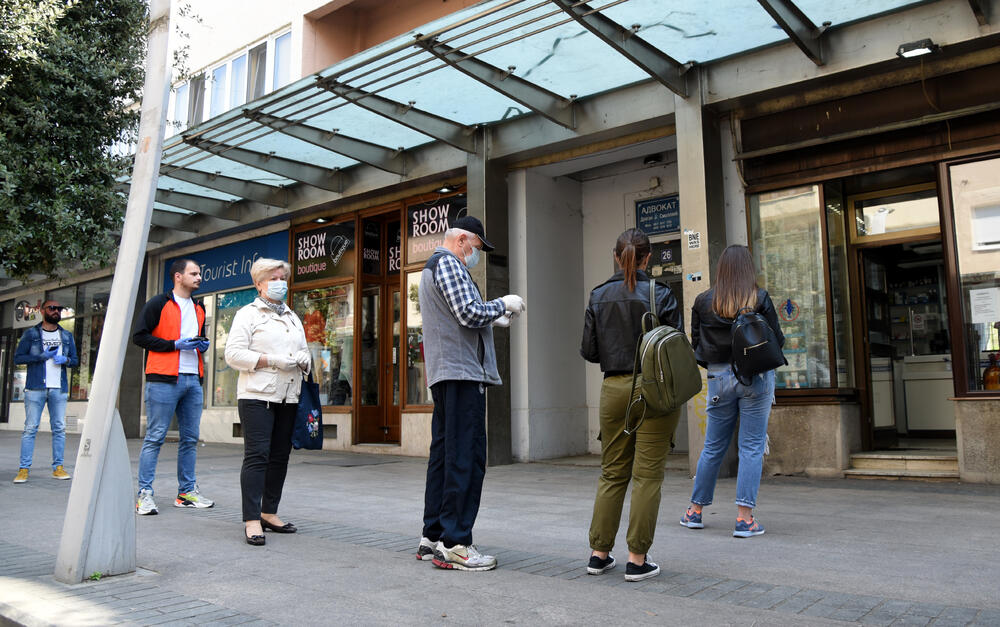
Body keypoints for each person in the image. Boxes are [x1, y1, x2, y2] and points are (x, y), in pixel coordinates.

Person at [414, 215, 525, 572]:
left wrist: (492, 318)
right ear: (462, 239)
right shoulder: (448, 263)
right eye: (477, 246)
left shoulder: (434, 267)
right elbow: (467, 312)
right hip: (462, 374)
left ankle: (433, 536)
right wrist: (502, 305)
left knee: (445, 457)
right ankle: (456, 544)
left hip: (448, 374)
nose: (477, 254)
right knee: (466, 458)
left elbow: (459, 316)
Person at [581, 228, 681, 582]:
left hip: (613, 389)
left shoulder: (598, 295)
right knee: (647, 476)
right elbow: (676, 346)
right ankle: (637, 559)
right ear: (647, 258)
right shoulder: (660, 293)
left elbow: (589, 351)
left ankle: (599, 554)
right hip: (652, 389)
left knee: (612, 472)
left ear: (615, 255)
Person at [680, 244, 783, 538]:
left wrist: (717, 367)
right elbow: (777, 340)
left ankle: (694, 512)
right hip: (756, 377)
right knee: (751, 447)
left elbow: (697, 344)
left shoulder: (703, 301)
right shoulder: (759, 298)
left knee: (713, 445)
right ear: (748, 268)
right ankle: (744, 519)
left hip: (718, 378)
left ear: (721, 269)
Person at [225, 258, 310, 546]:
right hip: (257, 396)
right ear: (259, 284)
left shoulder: (292, 316)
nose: (280, 283)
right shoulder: (248, 314)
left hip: (289, 395)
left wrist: (305, 359)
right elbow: (233, 354)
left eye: (283, 278)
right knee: (257, 456)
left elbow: (302, 349)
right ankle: (251, 519)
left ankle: (269, 512)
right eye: (274, 278)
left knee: (279, 456)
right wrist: (271, 360)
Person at [132, 259, 214, 515]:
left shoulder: (199, 307)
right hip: (163, 379)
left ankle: (186, 492)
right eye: (194, 273)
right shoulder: (158, 303)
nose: (199, 277)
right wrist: (173, 345)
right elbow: (139, 336)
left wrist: (202, 344)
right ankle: (144, 494)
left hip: (193, 379)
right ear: (178, 276)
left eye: (199, 273)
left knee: (190, 439)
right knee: (155, 437)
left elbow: (196, 337)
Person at [12, 300, 79, 483]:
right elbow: (18, 358)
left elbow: (74, 360)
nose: (56, 311)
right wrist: (40, 357)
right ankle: (24, 469)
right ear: (43, 311)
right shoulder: (31, 334)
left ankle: (58, 468)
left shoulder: (66, 336)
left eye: (59, 309)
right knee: (30, 428)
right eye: (52, 308)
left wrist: (65, 360)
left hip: (59, 388)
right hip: (36, 387)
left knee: (59, 428)